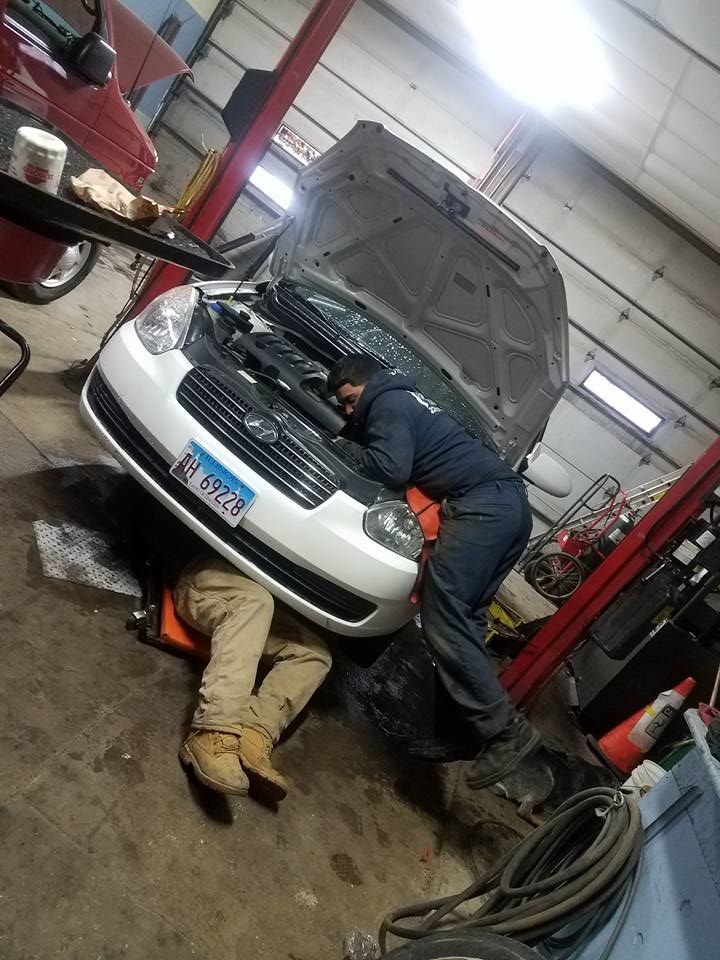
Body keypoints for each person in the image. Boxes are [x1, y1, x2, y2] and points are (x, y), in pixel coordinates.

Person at [327, 355, 536, 788]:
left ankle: (506, 735)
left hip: (484, 507)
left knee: (444, 613)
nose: (350, 411)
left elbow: (390, 468)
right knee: (468, 620)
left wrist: (342, 443)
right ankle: (461, 734)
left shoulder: (388, 403)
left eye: (350, 400)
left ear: (368, 383)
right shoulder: (404, 399)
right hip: (508, 507)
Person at [175, 556, 332, 801]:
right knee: (256, 601)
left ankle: (253, 733)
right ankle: (212, 729)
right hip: (200, 573)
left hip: (262, 597)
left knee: (315, 654)